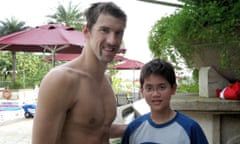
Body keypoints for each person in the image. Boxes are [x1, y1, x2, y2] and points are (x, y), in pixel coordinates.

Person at [32, 2, 127, 144]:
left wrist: (140, 125)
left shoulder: (106, 80)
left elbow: (98, 128)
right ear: (86, 31)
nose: (112, 40)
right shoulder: (61, 79)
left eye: (118, 33)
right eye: (104, 30)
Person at [121, 58, 209, 144]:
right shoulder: (133, 129)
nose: (155, 94)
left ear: (173, 88)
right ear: (142, 91)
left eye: (162, 87)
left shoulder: (190, 128)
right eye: (149, 88)